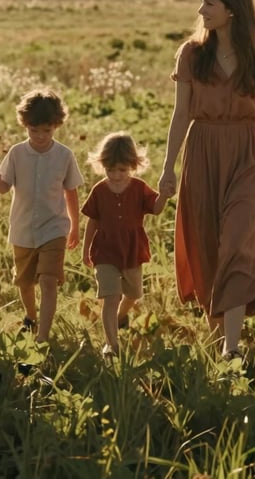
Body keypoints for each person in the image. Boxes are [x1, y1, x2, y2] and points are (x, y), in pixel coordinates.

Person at [158, 0, 255, 360]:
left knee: (237, 242)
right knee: (209, 242)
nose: (201, 10)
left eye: (209, 3)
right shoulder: (192, 54)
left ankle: (232, 348)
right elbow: (181, 115)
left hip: (247, 154)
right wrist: (168, 168)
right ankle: (219, 336)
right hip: (203, 150)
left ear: (232, 10)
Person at [0, 89, 82, 344]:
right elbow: (4, 186)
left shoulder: (64, 156)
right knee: (25, 282)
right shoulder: (17, 154)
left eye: (46, 131)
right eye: (34, 131)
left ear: (56, 126)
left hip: (54, 229)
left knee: (49, 282)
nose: (40, 137)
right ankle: (30, 317)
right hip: (23, 230)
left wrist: (75, 226)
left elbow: (71, 191)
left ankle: (43, 336)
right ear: (25, 125)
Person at [81, 132, 166, 356]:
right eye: (111, 170)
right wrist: (86, 250)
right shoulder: (99, 190)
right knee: (111, 296)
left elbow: (156, 209)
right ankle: (112, 344)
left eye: (122, 170)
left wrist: (165, 196)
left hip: (132, 250)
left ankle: (120, 316)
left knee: (134, 293)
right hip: (105, 251)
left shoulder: (139, 188)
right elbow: (93, 221)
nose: (116, 176)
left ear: (133, 166)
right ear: (103, 166)